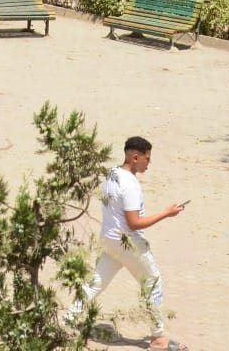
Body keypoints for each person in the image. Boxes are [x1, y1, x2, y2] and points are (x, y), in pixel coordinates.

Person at [67, 136, 186, 350]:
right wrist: (166, 213)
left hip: (108, 239)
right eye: (147, 159)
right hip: (127, 243)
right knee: (153, 282)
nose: (149, 163)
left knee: (97, 282)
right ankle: (158, 337)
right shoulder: (130, 184)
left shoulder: (112, 174)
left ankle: (68, 319)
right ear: (135, 157)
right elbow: (134, 223)